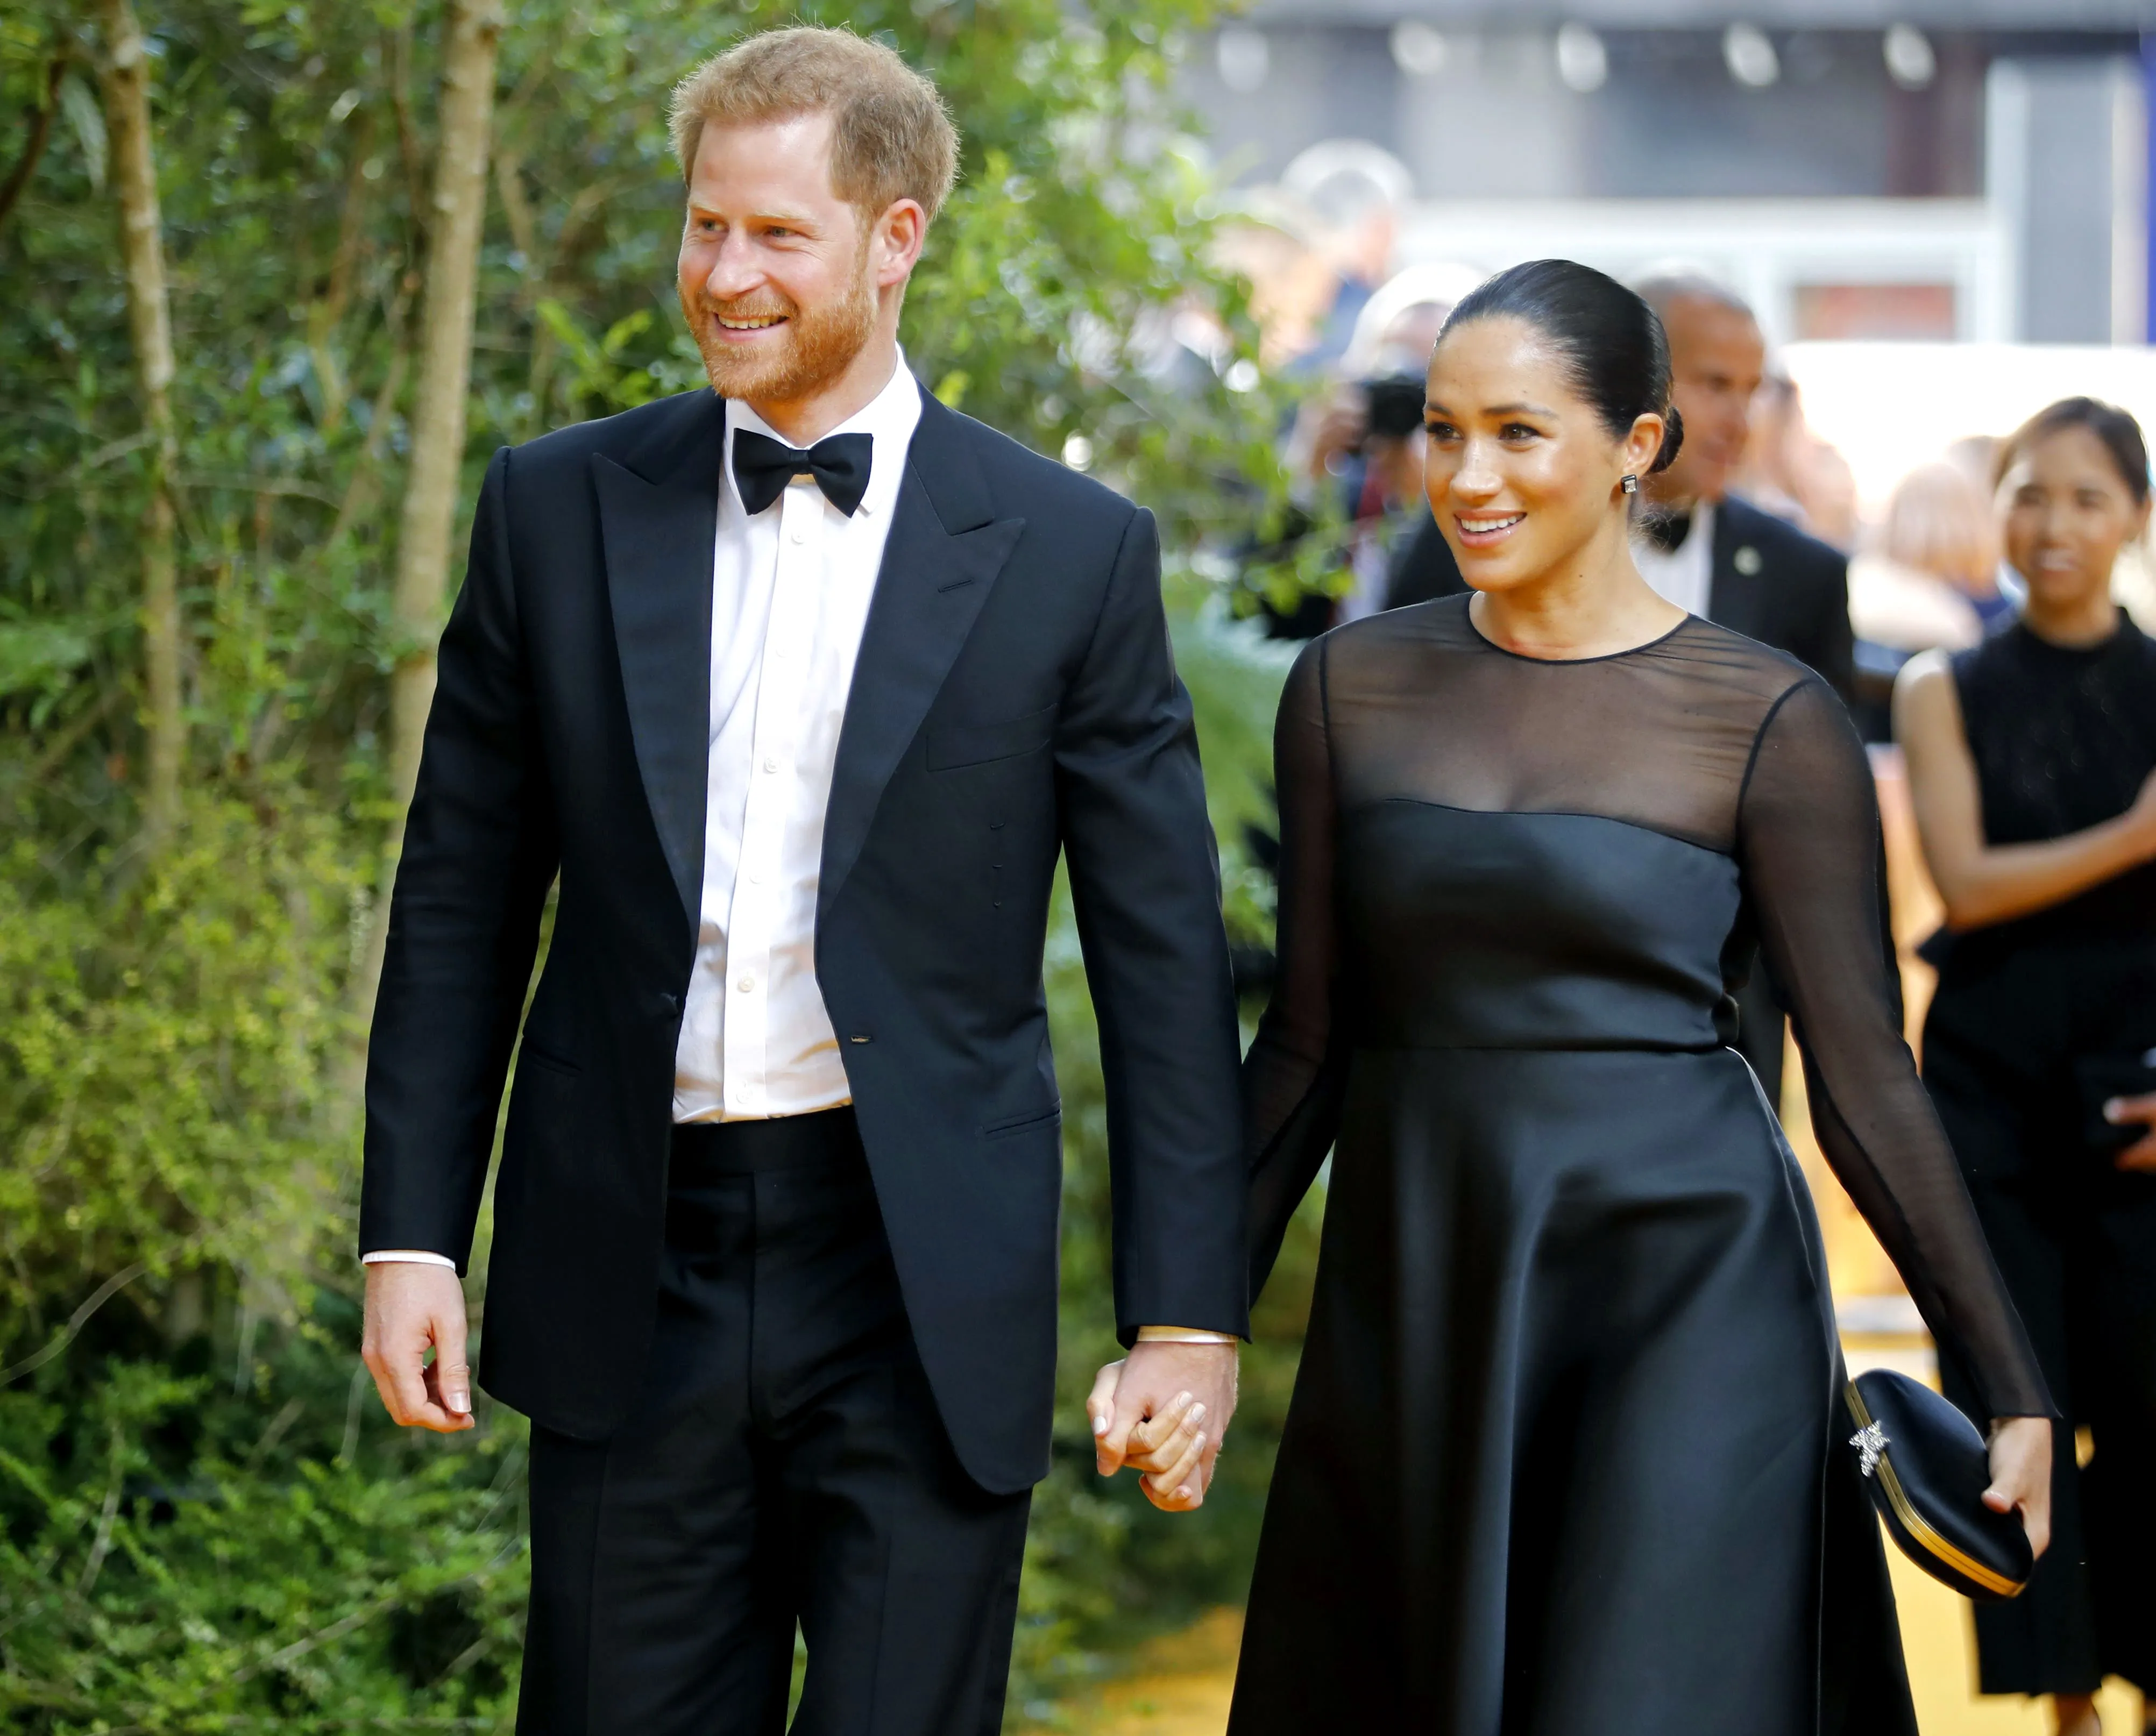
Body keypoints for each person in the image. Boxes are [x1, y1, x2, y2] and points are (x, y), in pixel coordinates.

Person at [356, 29, 1247, 1734]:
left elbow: (1162, 968)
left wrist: (1186, 1314)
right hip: (632, 1253)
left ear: (895, 239)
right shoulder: (552, 510)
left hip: (922, 1276)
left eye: (778, 235)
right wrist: (413, 1229)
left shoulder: (1072, 552)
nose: (725, 275)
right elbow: (462, 894)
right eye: (706, 228)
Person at [1214, 259, 2053, 1734]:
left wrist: (2010, 1384)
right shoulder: (1350, 691)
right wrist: (1183, 1315)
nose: (1468, 475)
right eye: (1448, 429)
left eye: (1521, 433)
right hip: (1431, 1285)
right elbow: (1305, 1041)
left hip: (1694, 1296)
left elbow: (1867, 1080)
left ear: (1637, 448)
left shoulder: (1767, 717)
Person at [1895, 397, 2156, 1736]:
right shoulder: (1942, 685)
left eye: (2088, 499)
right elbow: (1968, 884)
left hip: (2144, 1089)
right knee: (2015, 1405)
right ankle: (2061, 1701)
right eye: (2029, 494)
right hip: (1991, 1090)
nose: (2054, 526)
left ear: (2137, 522)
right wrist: (2136, 834)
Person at [1634, 272, 1857, 1112]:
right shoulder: (1508, 550)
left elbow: (1828, 815)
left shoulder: (1806, 576)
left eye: (1752, 388)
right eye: (1714, 383)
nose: (1739, 415)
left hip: (1731, 1006)